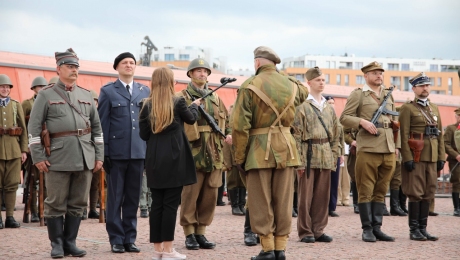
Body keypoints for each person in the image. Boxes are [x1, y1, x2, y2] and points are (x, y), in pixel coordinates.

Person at [233, 46, 308, 260]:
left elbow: (240, 126)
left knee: (260, 201)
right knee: (284, 200)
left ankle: (267, 249)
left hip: (258, 150)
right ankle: (281, 248)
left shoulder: (249, 85)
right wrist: (281, 75)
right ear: (274, 64)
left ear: (257, 63)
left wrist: (239, 157)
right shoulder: (290, 84)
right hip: (287, 148)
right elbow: (303, 92)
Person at [28, 48, 104, 258]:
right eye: (70, 67)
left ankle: (70, 242)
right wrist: (38, 156)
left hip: (84, 157)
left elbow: (97, 130)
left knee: (78, 203)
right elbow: (33, 130)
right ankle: (57, 244)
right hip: (57, 158)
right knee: (55, 202)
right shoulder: (45, 95)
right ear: (58, 69)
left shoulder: (86, 95)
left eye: (76, 67)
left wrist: (99, 156)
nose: (74, 70)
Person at [139, 67, 201, 260]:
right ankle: (168, 249)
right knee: (170, 205)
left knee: (156, 204)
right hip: (175, 158)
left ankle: (158, 250)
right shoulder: (178, 101)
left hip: (155, 158)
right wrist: (195, 106)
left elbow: (143, 134)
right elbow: (191, 119)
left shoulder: (146, 104)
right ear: (171, 81)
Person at [340, 61, 399, 243]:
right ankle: (367, 229)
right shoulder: (358, 94)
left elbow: (394, 121)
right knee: (366, 189)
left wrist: (396, 146)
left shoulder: (388, 95)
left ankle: (377, 227)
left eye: (380, 72)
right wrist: (362, 122)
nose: (378, 75)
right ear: (366, 76)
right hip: (368, 147)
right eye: (374, 73)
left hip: (388, 147)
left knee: (381, 190)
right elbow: (344, 118)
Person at [98, 52, 150, 253]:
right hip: (116, 154)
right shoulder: (108, 91)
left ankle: (130, 238)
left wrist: (148, 152)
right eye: (124, 63)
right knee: (115, 198)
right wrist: (105, 153)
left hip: (138, 152)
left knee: (132, 198)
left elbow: (148, 124)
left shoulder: (144, 91)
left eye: (132, 62)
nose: (129, 65)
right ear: (117, 67)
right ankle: (116, 239)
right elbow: (103, 124)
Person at [178, 58, 231, 251]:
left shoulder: (216, 98)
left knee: (210, 195)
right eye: (198, 71)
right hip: (193, 153)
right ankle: (189, 233)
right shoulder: (182, 96)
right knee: (190, 195)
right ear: (190, 74)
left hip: (215, 153)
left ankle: (201, 232)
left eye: (205, 71)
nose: (202, 74)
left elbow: (228, 120)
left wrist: (230, 133)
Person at [293, 68, 338, 244]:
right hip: (308, 155)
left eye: (323, 80)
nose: (321, 82)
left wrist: (334, 155)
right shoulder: (302, 108)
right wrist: (300, 162)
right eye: (318, 80)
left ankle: (318, 229)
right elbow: (296, 136)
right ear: (309, 83)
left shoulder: (328, 108)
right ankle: (305, 231)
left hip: (325, 154)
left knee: (322, 196)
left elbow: (336, 134)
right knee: (305, 197)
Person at [400, 72, 444, 241]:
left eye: (427, 85)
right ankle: (414, 230)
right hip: (416, 155)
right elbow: (403, 135)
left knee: (428, 192)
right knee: (415, 192)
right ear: (414, 88)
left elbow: (439, 134)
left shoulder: (434, 108)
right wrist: (407, 158)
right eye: (422, 86)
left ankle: (423, 228)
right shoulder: (408, 108)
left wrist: (441, 156)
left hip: (432, 156)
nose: (425, 88)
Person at [0, 74, 28, 229]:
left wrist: (24, 150)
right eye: (2, 86)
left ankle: (10, 217)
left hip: (13, 150)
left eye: (7, 87)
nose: (5, 89)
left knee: (11, 185)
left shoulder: (16, 105)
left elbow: (23, 129)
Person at [21, 76, 48, 223]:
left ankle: (45, 210)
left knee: (46, 182)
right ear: (34, 88)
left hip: (47, 146)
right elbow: (25, 127)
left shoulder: (49, 101)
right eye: (39, 87)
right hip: (33, 147)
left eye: (44, 86)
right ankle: (33, 211)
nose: (41, 89)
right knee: (32, 182)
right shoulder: (26, 103)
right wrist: (26, 147)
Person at [224, 105, 246, 216]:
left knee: (243, 181)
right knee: (233, 180)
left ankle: (242, 204)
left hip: (241, 151)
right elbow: (226, 144)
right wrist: (227, 161)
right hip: (232, 153)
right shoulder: (231, 109)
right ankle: (235, 205)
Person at [82, 90, 101, 220]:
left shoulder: (101, 116)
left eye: (96, 101)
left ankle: (93, 209)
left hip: (96, 152)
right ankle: (82, 209)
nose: (94, 104)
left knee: (95, 183)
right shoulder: (82, 115)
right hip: (84, 151)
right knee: (83, 183)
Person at [324, 96, 344, 217]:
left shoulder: (337, 120)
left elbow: (340, 138)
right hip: (324, 152)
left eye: (333, 103)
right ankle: (321, 207)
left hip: (336, 152)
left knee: (334, 181)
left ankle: (332, 207)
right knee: (323, 181)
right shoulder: (322, 117)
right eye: (329, 102)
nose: (331, 104)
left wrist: (341, 154)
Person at [443, 107, 460, 217]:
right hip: (456, 160)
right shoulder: (451, 128)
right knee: (457, 182)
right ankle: (457, 208)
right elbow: (446, 144)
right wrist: (456, 155)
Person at [344, 127, 360, 214]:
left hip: (371, 149)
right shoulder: (352, 118)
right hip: (356, 151)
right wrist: (352, 141)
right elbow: (344, 133)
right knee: (355, 176)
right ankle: (356, 204)